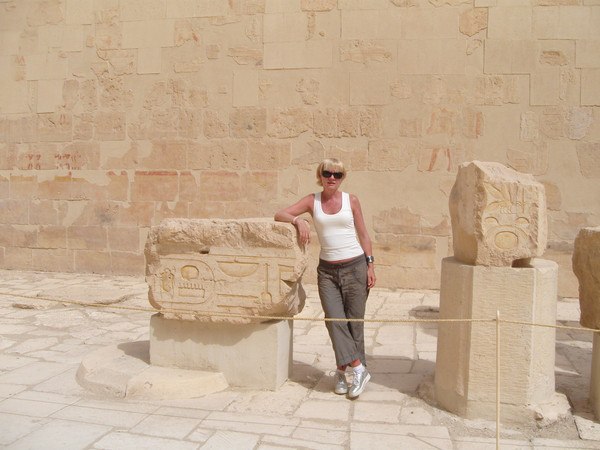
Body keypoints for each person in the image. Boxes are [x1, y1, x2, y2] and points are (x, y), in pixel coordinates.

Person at [274, 158, 376, 398]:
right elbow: (280, 214)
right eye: (327, 173)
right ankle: (359, 369)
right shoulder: (313, 201)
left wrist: (370, 265)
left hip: (355, 267)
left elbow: (364, 235)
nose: (332, 178)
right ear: (320, 176)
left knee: (354, 323)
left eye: (337, 174)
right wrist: (298, 220)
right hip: (327, 272)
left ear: (342, 178)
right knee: (334, 320)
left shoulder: (351, 200)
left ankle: (342, 372)